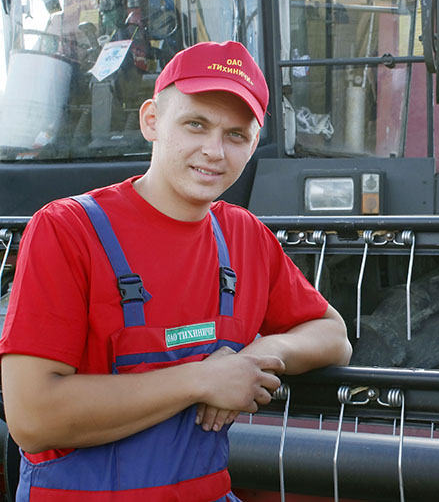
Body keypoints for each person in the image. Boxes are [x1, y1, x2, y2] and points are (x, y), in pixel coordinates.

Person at [0, 40, 352, 501]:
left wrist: (257, 356)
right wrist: (201, 380)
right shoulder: (67, 231)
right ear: (151, 120)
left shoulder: (243, 235)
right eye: (195, 124)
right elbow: (32, 419)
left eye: (236, 135)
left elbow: (333, 335)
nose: (214, 151)